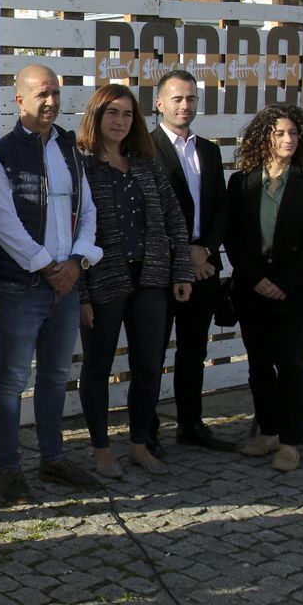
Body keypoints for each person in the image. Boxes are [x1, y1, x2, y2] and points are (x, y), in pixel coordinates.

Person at [0, 64, 102, 503]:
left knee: (55, 377)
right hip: (21, 287)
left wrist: (76, 261)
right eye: (41, 94)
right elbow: (3, 223)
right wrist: (48, 266)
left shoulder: (70, 148)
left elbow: (88, 211)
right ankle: (9, 469)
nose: (50, 101)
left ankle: (53, 461)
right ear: (20, 100)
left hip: (66, 286)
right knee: (13, 381)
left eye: (55, 92)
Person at [76, 84, 193, 478]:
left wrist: (181, 272)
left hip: (151, 279)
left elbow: (175, 220)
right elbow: (70, 232)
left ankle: (140, 442)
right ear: (96, 116)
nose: (120, 121)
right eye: (112, 113)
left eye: (127, 115)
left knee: (148, 367)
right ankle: (101, 448)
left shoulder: (144, 164)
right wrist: (81, 295)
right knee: (97, 368)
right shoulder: (81, 166)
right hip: (103, 281)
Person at [224, 104, 303, 472]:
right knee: (258, 367)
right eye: (280, 133)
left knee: (289, 363)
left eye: (294, 134)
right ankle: (268, 432)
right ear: (264, 137)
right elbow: (233, 238)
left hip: (296, 294)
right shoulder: (242, 182)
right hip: (253, 291)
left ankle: (291, 442)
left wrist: (284, 283)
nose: (288, 140)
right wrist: (257, 279)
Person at [151, 70, 236, 453]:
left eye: (191, 99)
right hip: (162, 267)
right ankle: (145, 428)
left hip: (204, 265)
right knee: (150, 352)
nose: (185, 106)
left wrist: (204, 250)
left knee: (193, 349)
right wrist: (184, 252)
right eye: (177, 99)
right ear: (159, 103)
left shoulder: (210, 151)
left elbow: (221, 208)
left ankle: (190, 424)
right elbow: (148, 214)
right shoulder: (144, 149)